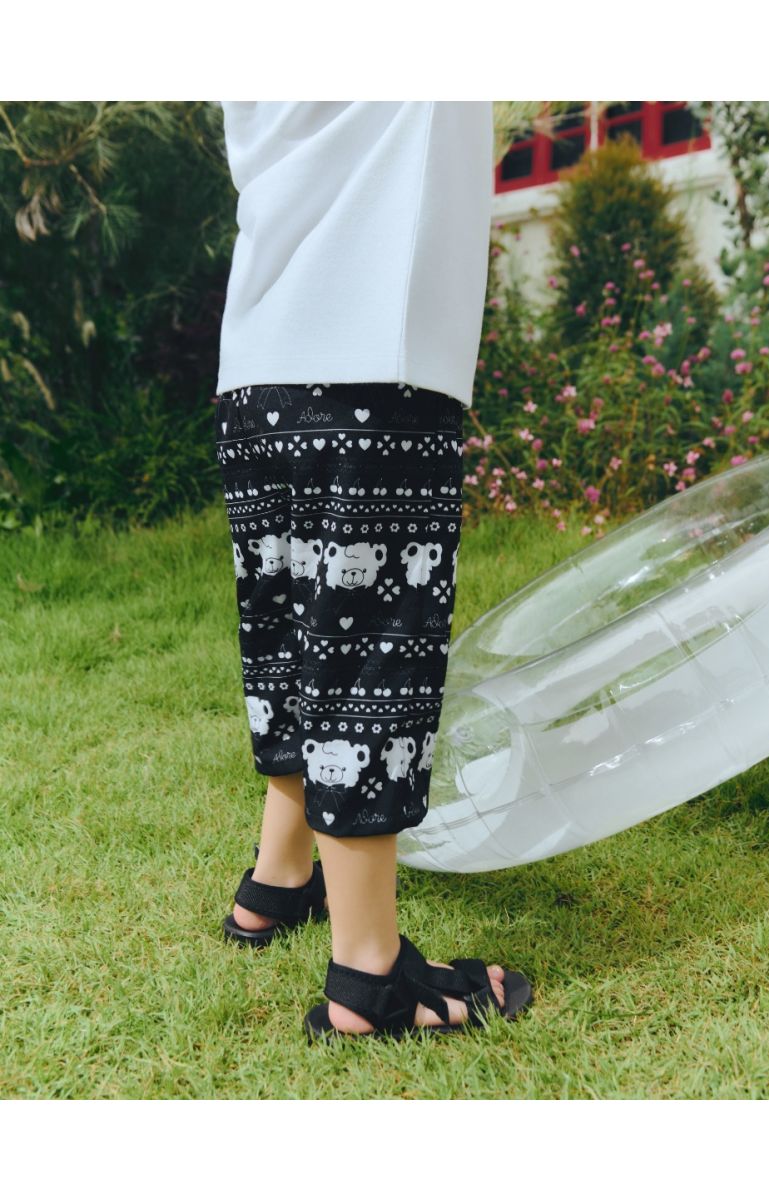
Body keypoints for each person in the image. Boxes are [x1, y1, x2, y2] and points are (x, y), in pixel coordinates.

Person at [213, 100, 533, 1040]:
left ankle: (276, 880)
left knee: (292, 646)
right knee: (365, 670)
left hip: (257, 365)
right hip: (371, 356)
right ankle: (369, 975)